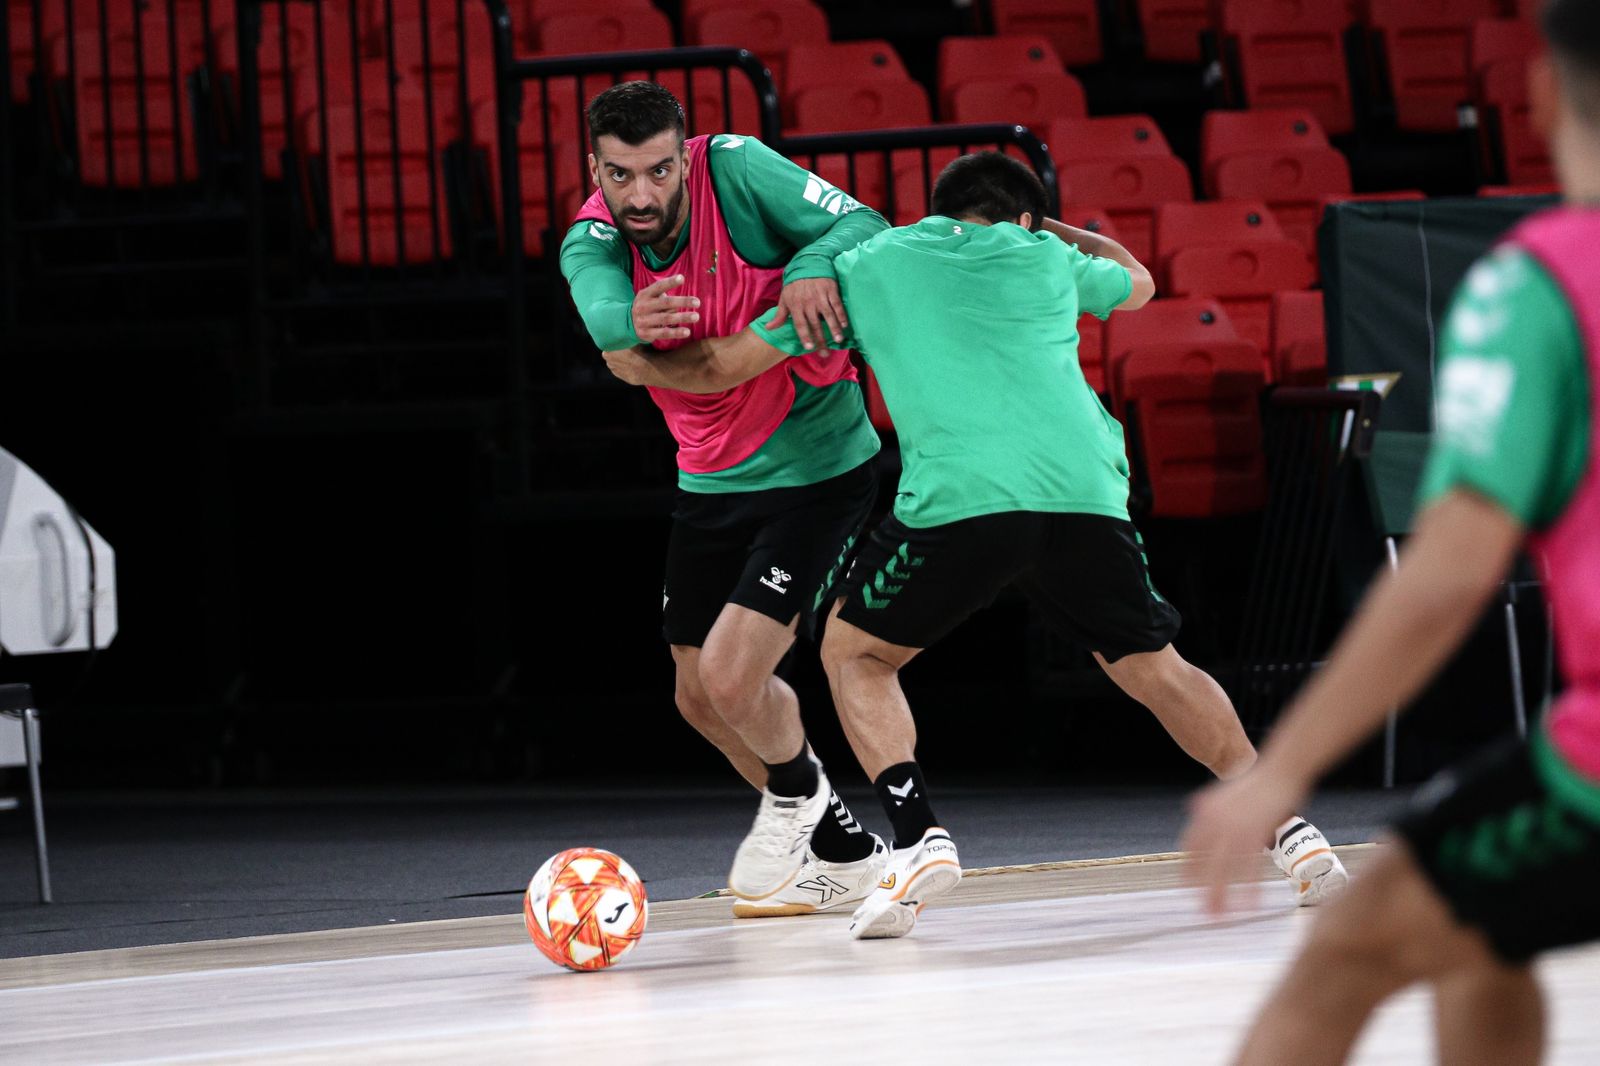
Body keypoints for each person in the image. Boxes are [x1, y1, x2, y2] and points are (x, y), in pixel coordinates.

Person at [602, 151, 1348, 940]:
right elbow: (1139, 279)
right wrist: (1044, 225)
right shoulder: (1051, 256)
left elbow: (724, 365)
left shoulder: (872, 262)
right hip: (1085, 495)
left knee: (853, 652)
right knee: (1155, 668)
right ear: (1022, 219)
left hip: (964, 501)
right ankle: (1294, 834)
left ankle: (917, 834)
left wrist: (631, 355)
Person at [1180, 2, 1600, 1061]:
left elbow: (1445, 573)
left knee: (1350, 947)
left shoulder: (1541, 280)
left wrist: (1279, 772)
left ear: (1539, 93)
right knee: (1473, 932)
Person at [559, 81, 889, 917]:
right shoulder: (589, 239)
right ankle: (841, 847)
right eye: (622, 175)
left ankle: (802, 816)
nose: (643, 194)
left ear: (684, 155)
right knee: (697, 697)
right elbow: (609, 327)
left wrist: (812, 263)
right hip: (710, 481)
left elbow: (866, 226)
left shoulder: (736, 168)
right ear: (594, 167)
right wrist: (629, 320)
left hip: (819, 471)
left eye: (660, 171)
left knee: (734, 676)